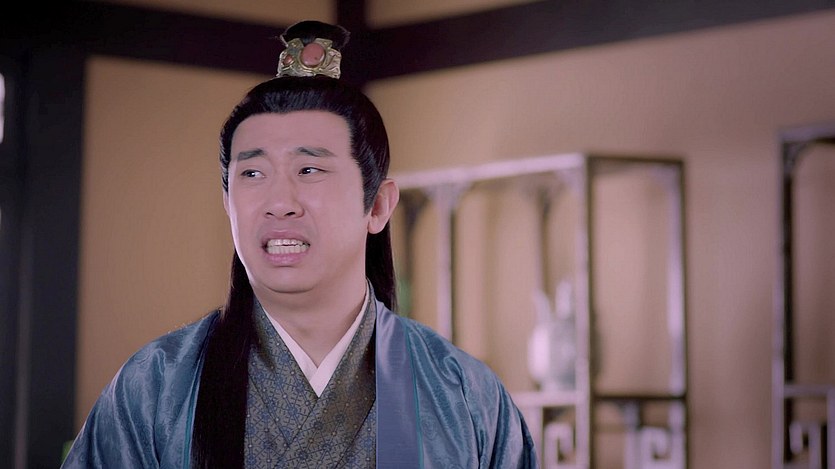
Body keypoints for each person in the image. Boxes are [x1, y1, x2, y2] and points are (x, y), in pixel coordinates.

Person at [61, 20, 537, 468]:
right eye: (252, 173)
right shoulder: (157, 387)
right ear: (227, 202)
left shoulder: (461, 394)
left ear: (377, 206)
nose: (279, 203)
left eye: (309, 170)